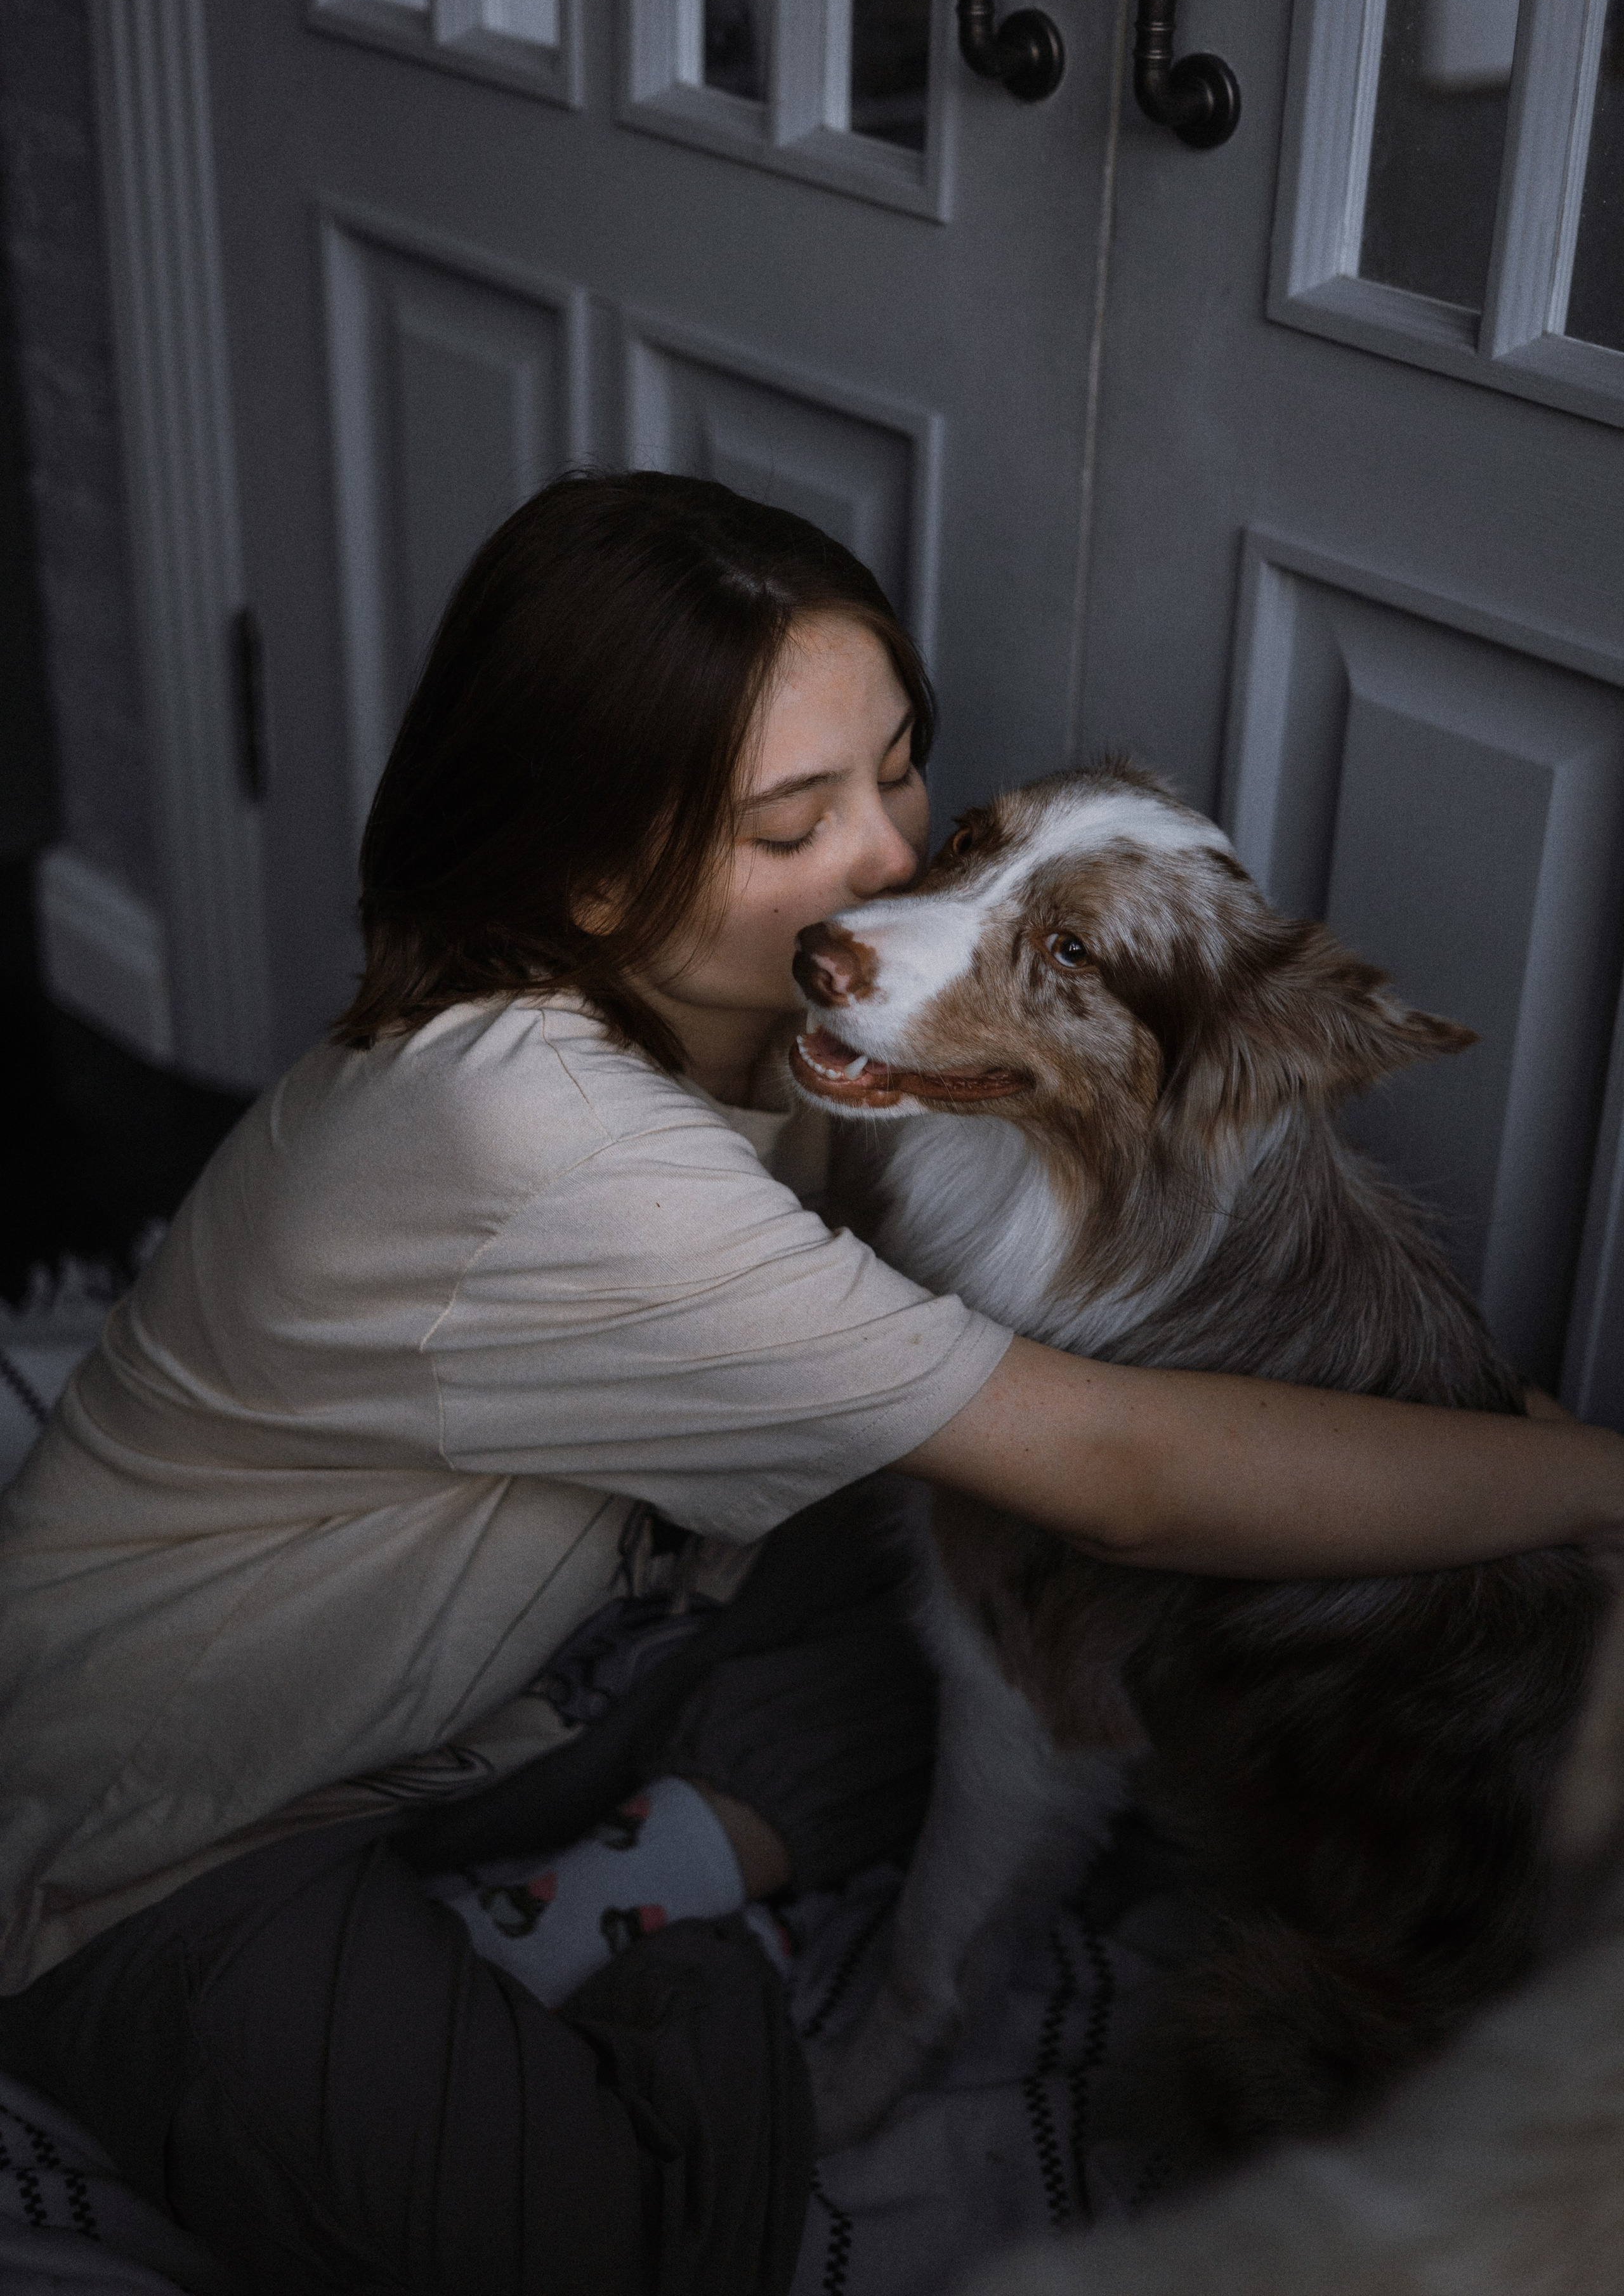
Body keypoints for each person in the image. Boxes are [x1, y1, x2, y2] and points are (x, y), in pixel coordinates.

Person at [0, 471, 1619, 2296]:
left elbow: (1109, 1363)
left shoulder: (758, 1024)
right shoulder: (540, 1145)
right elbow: (1131, 1474)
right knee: (636, 2250)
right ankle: (636, 1946)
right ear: (590, 870)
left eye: (905, 778)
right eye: (794, 825)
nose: (884, 874)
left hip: (479, 1689)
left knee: (971, 1649)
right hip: (148, 1820)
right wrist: (1593, 1476)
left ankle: (609, 1870)